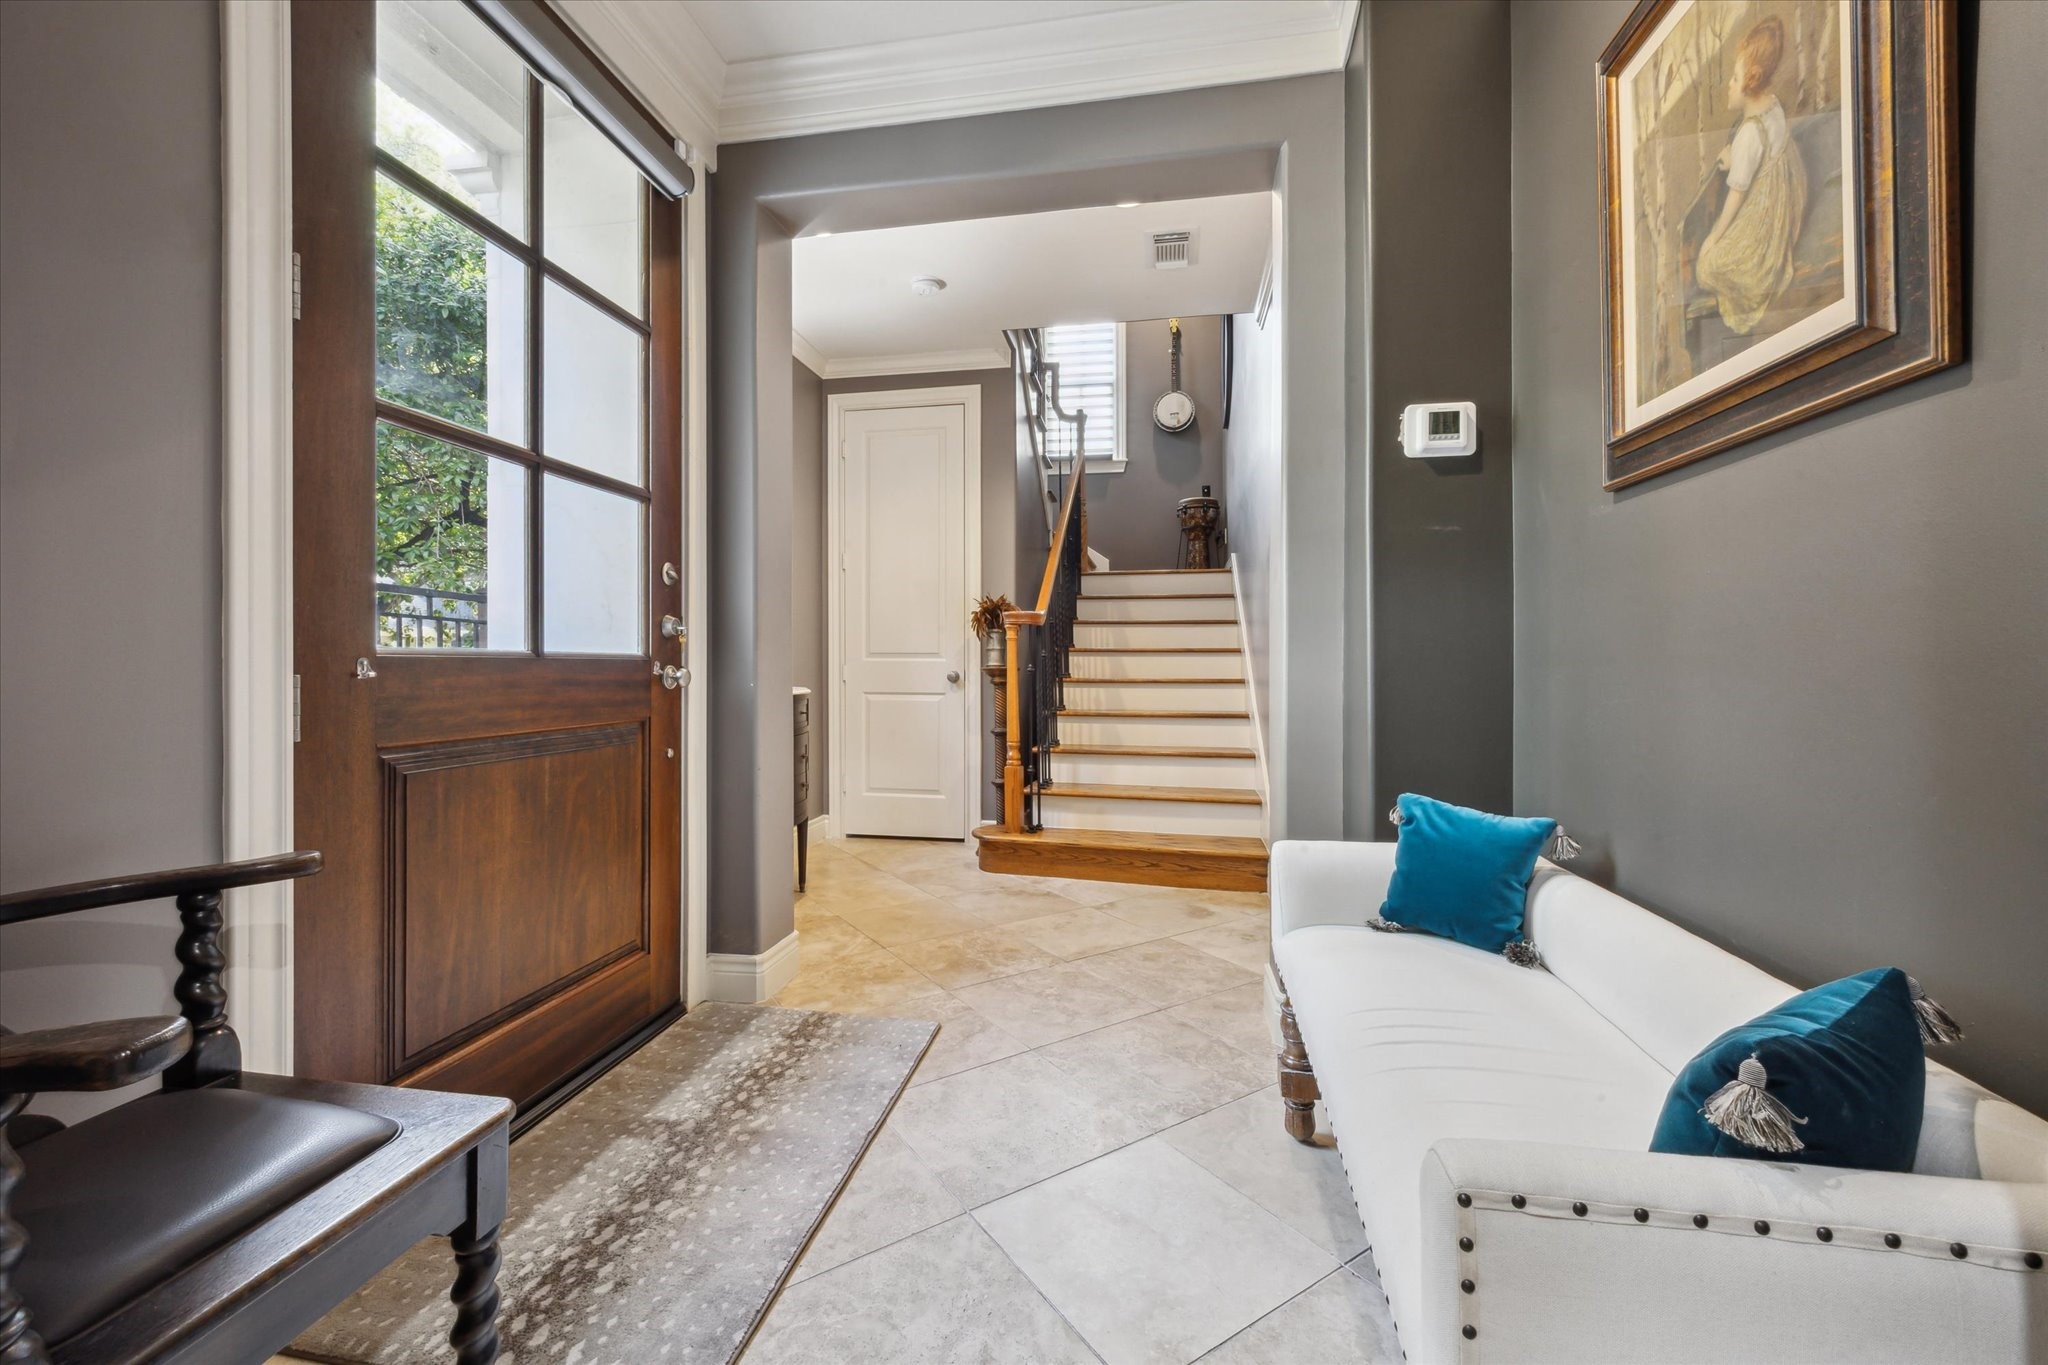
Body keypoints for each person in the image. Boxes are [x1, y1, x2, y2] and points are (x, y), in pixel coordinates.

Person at [1695, 15, 1807, 334]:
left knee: (1706, 268)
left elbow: (1737, 196)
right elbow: (1762, 156)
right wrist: (1736, 161)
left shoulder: (1747, 134)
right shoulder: (1772, 105)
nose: (1729, 84)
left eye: (1734, 77)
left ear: (1751, 81)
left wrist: (1712, 239)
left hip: (1767, 221)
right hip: (1788, 199)